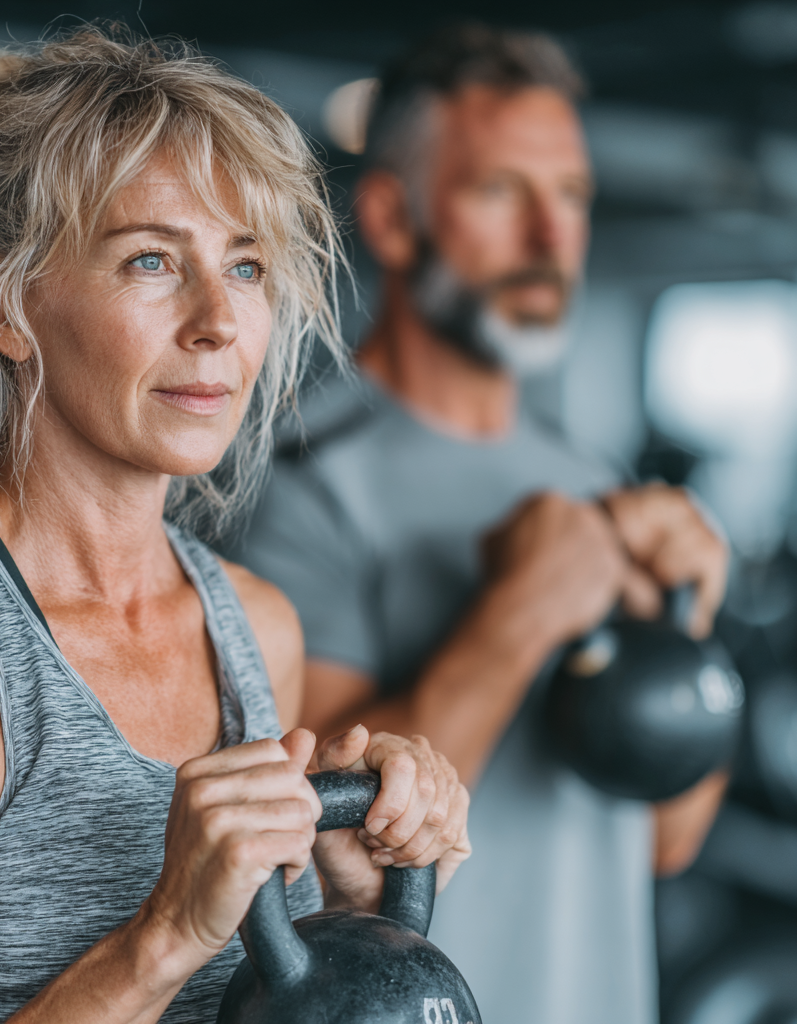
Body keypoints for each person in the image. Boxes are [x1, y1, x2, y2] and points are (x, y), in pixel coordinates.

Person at [0, 30, 471, 1024]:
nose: (217, 322)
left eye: (244, 266)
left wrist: (356, 908)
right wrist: (166, 934)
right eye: (151, 259)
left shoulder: (251, 624)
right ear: (5, 310)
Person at [226, 24, 730, 1024]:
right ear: (393, 218)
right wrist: (517, 610)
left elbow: (668, 837)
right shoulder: (299, 482)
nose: (551, 237)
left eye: (571, 195)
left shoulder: (592, 477)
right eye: (502, 192)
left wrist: (685, 629)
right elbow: (317, 856)